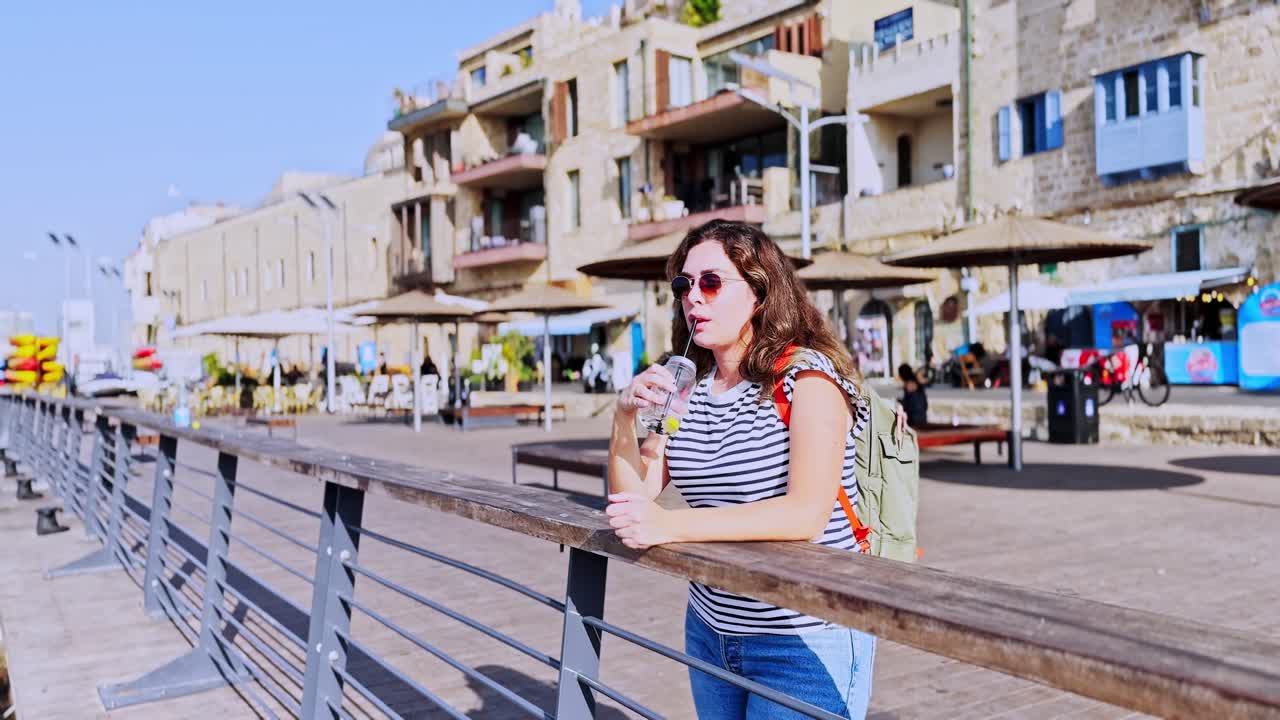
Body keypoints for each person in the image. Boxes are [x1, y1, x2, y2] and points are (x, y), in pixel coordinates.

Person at [608, 220, 905, 720]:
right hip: (711, 628)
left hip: (804, 634)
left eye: (711, 282)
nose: (692, 298)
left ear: (760, 292)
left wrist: (670, 524)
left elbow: (805, 514)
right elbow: (633, 497)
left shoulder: (807, 380)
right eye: (684, 285)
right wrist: (621, 418)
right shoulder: (688, 384)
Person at [898, 363, 928, 428]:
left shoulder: (910, 384)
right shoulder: (915, 381)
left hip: (915, 418)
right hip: (921, 416)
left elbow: (911, 402)